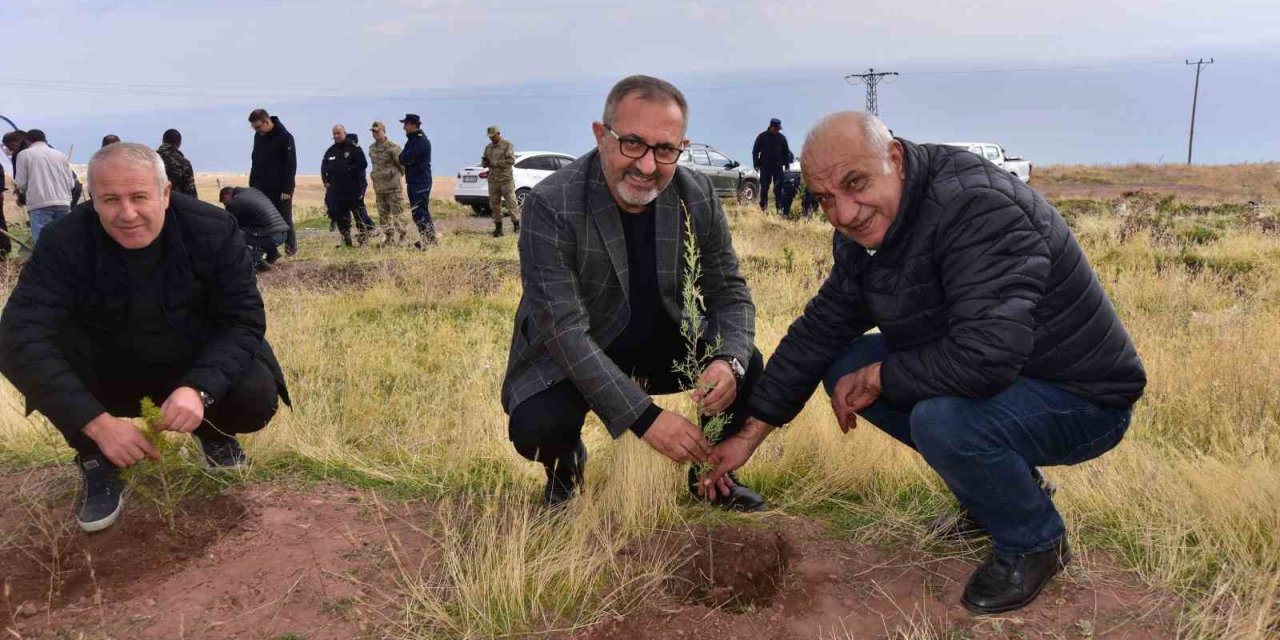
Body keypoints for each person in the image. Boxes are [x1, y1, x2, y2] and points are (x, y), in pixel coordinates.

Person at [701, 111, 1147, 614]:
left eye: (856, 184)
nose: (845, 213)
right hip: (1002, 376)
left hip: (1083, 398)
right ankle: (997, 493)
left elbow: (988, 355)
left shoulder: (977, 207)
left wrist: (882, 376)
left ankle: (1034, 541)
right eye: (826, 198)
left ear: (894, 158)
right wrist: (750, 433)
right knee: (843, 361)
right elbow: (820, 330)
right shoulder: (871, 227)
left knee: (942, 419)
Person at [501, 75, 766, 511]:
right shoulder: (552, 203)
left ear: (683, 146)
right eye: (632, 144)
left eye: (664, 150)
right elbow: (564, 331)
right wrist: (645, 419)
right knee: (536, 426)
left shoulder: (696, 194)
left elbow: (729, 293)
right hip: (580, 350)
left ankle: (712, 476)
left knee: (745, 363)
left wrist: (727, 361)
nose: (646, 165)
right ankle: (565, 470)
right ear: (601, 136)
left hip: (662, 340)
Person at [0, 142, 290, 533]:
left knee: (254, 392)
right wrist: (95, 423)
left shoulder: (213, 229)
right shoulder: (63, 241)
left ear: (166, 193)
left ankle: (212, 431)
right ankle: (96, 457)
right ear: (93, 199)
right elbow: (17, 336)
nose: (127, 213)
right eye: (110, 200)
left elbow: (243, 320)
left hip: (188, 362)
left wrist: (200, 389)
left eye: (140, 197)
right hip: (106, 370)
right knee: (48, 358)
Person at [248, 108, 298, 256]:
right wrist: (252, 184)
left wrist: (287, 189)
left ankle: (291, 250)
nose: (257, 130)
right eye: (254, 128)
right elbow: (255, 161)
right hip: (260, 187)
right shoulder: (259, 136)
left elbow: (290, 165)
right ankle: (269, 251)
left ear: (267, 121)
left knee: (284, 219)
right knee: (262, 219)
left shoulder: (285, 137)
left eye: (258, 127)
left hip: (280, 189)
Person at [14, 129, 76, 245]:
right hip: (64, 203)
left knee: (43, 245)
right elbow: (71, 183)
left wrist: (26, 193)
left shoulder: (24, 154)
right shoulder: (60, 154)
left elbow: (21, 183)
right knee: (64, 242)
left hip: (39, 204)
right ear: (45, 140)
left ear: (27, 141)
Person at [321, 124, 372, 247]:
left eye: (339, 133)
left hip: (353, 189)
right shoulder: (330, 151)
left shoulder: (354, 148)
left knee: (358, 215)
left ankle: (363, 240)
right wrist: (325, 181)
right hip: (337, 190)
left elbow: (363, 164)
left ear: (344, 133)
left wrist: (348, 169)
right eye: (334, 134)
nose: (336, 136)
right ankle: (346, 239)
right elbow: (324, 166)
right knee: (341, 216)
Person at [219, 186, 290, 271]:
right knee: (247, 233)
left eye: (224, 202)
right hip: (283, 232)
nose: (225, 206)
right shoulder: (253, 192)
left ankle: (259, 264)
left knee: (235, 236)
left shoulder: (234, 202)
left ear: (227, 196)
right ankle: (272, 253)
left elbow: (229, 226)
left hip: (272, 235)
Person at [398, 113, 437, 247]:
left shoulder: (419, 140)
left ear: (413, 125)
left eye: (406, 124)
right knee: (417, 212)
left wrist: (404, 158)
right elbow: (402, 157)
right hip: (414, 180)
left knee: (420, 212)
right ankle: (427, 239)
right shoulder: (412, 140)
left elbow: (406, 158)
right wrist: (404, 158)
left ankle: (429, 241)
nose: (404, 127)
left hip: (420, 180)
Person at [368, 120, 408, 247]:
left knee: (398, 213)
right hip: (379, 187)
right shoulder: (372, 148)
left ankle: (403, 236)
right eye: (373, 131)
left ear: (383, 131)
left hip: (392, 187)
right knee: (383, 214)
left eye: (377, 131)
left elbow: (402, 165)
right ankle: (388, 237)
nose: (375, 134)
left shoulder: (393, 147)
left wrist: (395, 176)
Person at [481, 124, 519, 237]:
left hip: (506, 180)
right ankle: (498, 228)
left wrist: (497, 164)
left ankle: (517, 226)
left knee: (511, 203)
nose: (491, 138)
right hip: (493, 180)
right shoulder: (488, 147)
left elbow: (511, 160)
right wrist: (484, 162)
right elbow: (484, 159)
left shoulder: (507, 145)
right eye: (489, 136)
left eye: (493, 136)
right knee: (494, 205)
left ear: (498, 134)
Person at [751, 117, 793, 212]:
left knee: (778, 188)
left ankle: (779, 209)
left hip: (778, 168)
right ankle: (763, 208)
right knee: (764, 188)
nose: (777, 130)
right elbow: (755, 151)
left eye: (779, 129)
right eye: (776, 128)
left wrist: (787, 166)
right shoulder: (761, 137)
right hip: (765, 167)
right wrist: (756, 164)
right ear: (771, 127)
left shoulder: (782, 138)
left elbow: (786, 153)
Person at [156, 129, 198, 198]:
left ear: (163, 141)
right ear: (179, 143)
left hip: (153, 205)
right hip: (176, 206)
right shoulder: (184, 163)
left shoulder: (149, 160)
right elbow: (191, 194)